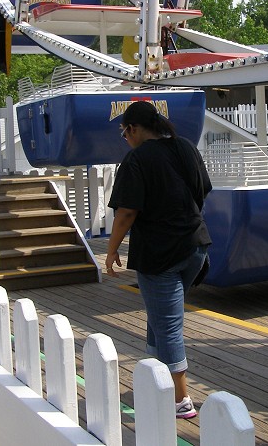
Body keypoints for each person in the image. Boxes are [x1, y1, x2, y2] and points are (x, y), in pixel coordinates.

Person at [106, 100, 212, 419]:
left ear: (135, 129)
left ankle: (180, 399)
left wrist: (111, 250)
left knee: (167, 326)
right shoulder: (185, 147)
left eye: (125, 132)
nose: (125, 138)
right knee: (159, 315)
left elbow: (126, 212)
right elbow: (202, 190)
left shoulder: (137, 159)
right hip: (195, 247)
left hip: (159, 254)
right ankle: (157, 381)